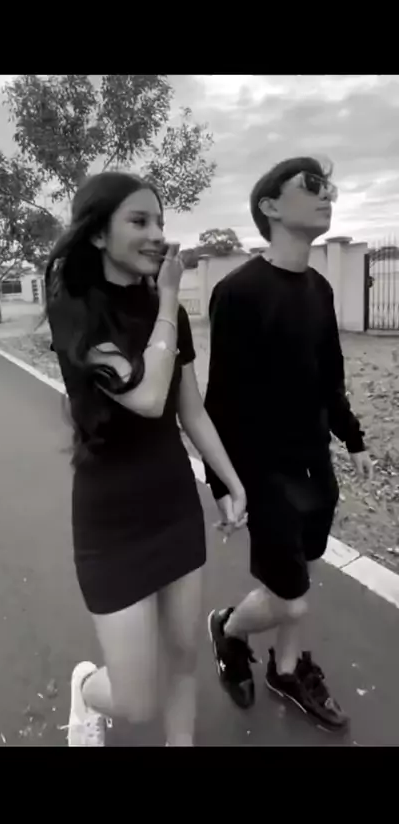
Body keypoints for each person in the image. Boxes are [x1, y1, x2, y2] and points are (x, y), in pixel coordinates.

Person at [45, 171, 247, 747]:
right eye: (139, 220)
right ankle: (87, 689)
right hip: (111, 521)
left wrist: (230, 481)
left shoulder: (167, 315)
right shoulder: (76, 311)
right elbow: (147, 396)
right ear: (98, 235)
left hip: (173, 506)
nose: (157, 233)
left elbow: (190, 411)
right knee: (136, 700)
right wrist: (168, 298)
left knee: (183, 658)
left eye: (160, 220)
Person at [204, 156, 374, 732]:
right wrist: (222, 482)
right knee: (292, 596)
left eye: (331, 188)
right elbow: (221, 397)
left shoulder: (319, 289)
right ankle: (228, 629)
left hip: (312, 463)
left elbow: (329, 376)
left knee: (300, 570)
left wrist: (352, 438)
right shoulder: (238, 292)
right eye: (313, 186)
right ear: (270, 206)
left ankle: (285, 667)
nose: (328, 196)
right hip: (263, 470)